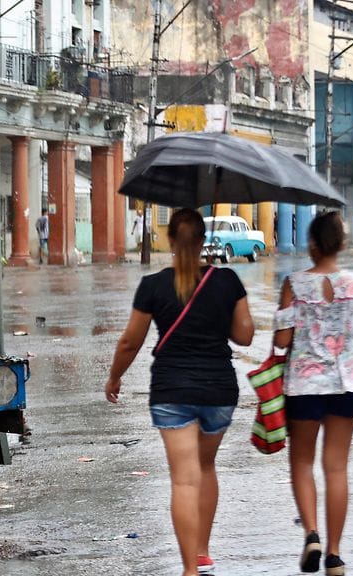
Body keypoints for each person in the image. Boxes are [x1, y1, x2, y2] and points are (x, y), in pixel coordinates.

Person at [104, 208, 254, 576]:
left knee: (185, 477)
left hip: (172, 389)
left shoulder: (153, 285)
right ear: (204, 242)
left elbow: (130, 342)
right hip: (219, 389)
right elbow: (245, 334)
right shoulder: (227, 280)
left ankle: (190, 569)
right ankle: (203, 551)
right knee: (206, 467)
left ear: (169, 240)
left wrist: (114, 378)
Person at [272, 211, 353, 576]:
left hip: (304, 386)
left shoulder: (293, 284)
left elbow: (281, 342)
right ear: (340, 243)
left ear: (311, 244)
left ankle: (311, 534)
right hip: (348, 384)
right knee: (336, 468)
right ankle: (335, 556)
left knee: (302, 463)